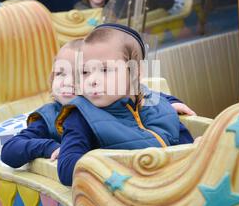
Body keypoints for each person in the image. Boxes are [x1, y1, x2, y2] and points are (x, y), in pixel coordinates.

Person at [56, 24, 194, 186]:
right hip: (127, 198)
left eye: (105, 70)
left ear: (136, 72)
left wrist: (196, 151)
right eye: (85, 72)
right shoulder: (81, 117)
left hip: (175, 186)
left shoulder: (160, 107)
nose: (93, 80)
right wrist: (114, 168)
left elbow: (186, 146)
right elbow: (66, 170)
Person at [0, 39, 82, 168]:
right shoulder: (49, 118)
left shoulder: (105, 114)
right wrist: (50, 147)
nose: (67, 82)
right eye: (60, 73)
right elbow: (9, 151)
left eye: (79, 75)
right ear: (52, 80)